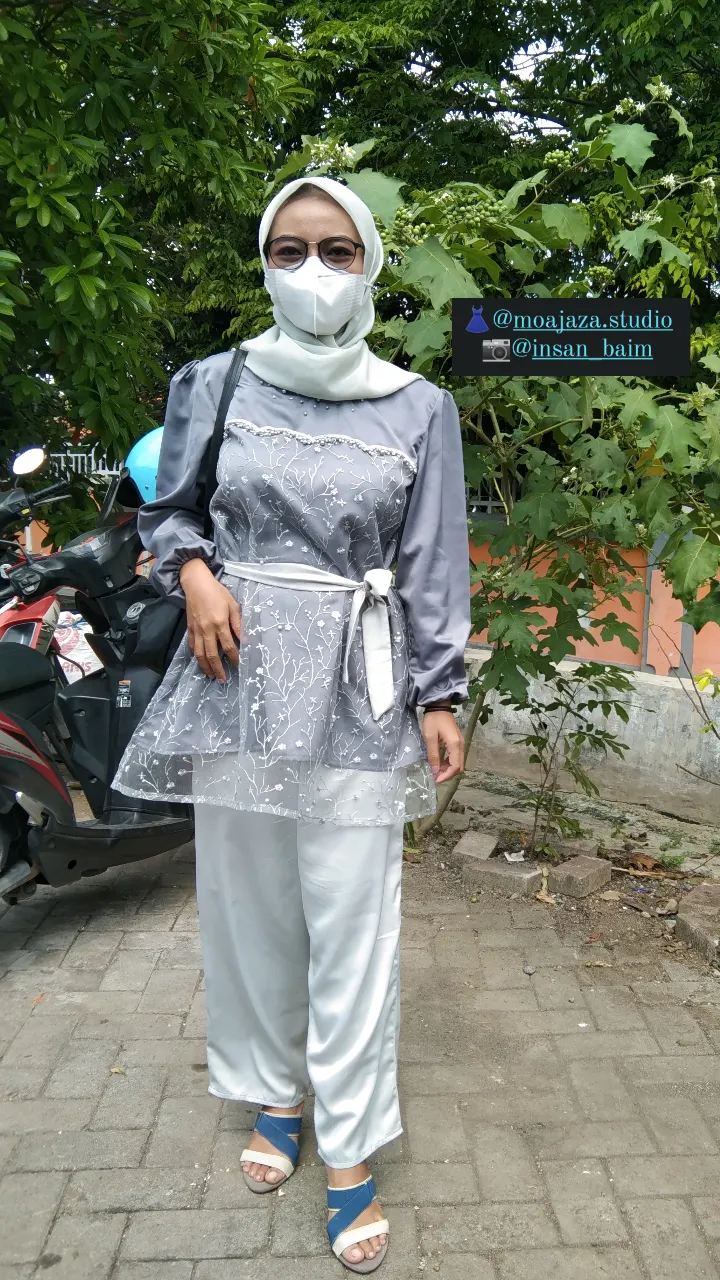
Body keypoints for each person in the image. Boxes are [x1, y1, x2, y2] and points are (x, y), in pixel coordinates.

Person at [113, 175, 471, 1273]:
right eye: (289, 249)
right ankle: (274, 1093)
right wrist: (194, 571)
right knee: (250, 907)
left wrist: (442, 691)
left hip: (361, 682)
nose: (313, 269)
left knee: (354, 921)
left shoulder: (418, 405)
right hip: (238, 675)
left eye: (337, 250)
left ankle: (351, 1144)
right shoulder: (214, 381)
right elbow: (169, 510)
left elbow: (431, 560)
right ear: (264, 262)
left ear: (370, 264)